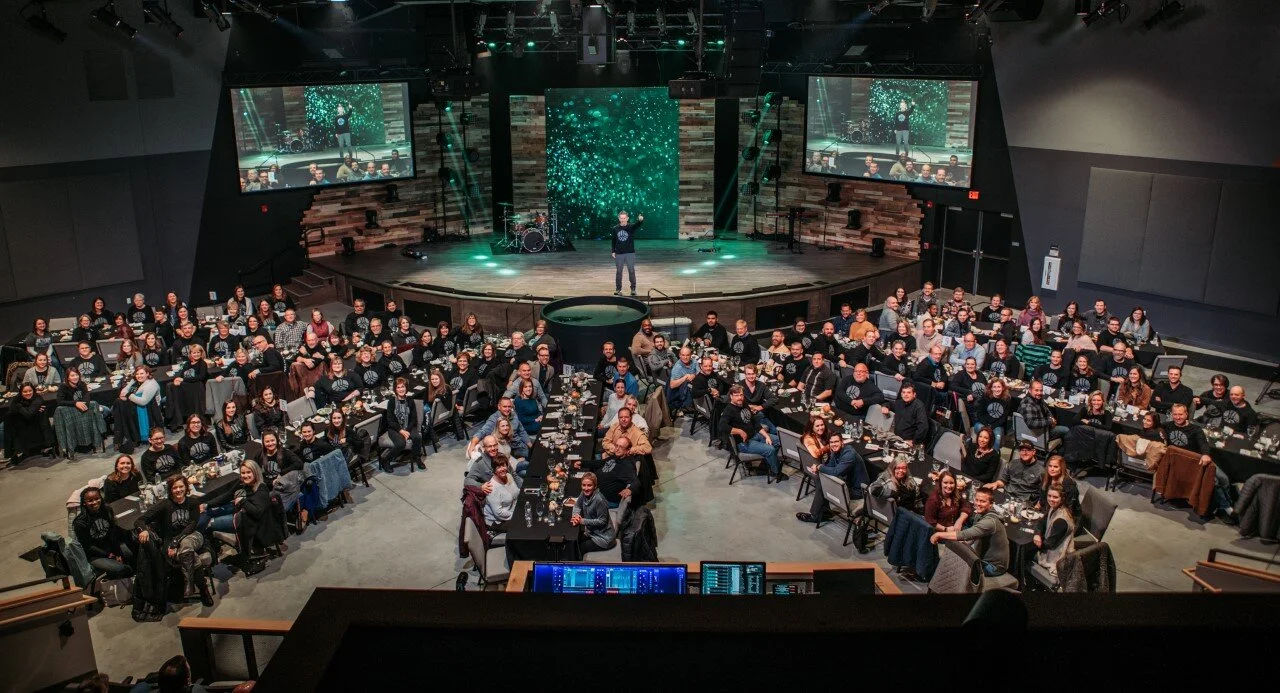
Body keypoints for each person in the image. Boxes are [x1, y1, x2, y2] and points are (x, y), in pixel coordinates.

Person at [136, 474, 215, 607]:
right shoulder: (165, 505)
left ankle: (189, 582)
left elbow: (191, 527)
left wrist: (175, 543)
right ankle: (203, 590)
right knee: (190, 554)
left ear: (186, 487)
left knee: (186, 543)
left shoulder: (193, 503)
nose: (178, 490)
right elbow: (140, 520)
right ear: (170, 490)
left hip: (193, 537)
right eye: (174, 488)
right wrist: (143, 530)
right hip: (173, 543)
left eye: (181, 487)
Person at [1163, 403, 1235, 523]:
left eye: (1180, 414)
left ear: (1186, 414)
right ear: (1171, 414)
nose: (1178, 417)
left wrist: (1206, 454)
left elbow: (1203, 444)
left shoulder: (1195, 429)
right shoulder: (1167, 426)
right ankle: (1227, 508)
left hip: (1199, 459)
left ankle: (1227, 505)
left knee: (1224, 478)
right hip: (1183, 464)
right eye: (1175, 414)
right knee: (1214, 481)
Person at [930, 487, 1009, 577]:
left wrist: (939, 534)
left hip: (992, 567)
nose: (978, 504)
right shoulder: (980, 515)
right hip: (981, 557)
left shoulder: (990, 522)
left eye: (983, 501)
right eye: (977, 500)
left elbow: (966, 534)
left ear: (991, 504)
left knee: (954, 567)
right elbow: (972, 537)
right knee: (952, 555)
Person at [796, 433, 867, 523]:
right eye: (831, 442)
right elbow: (830, 466)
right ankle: (824, 512)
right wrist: (820, 470)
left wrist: (819, 467)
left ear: (842, 442)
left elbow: (836, 472)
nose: (834, 444)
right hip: (847, 483)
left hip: (857, 490)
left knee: (823, 484)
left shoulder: (849, 454)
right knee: (821, 479)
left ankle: (816, 516)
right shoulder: (835, 451)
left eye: (836, 441)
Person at [719, 385, 785, 482]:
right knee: (770, 449)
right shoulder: (729, 410)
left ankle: (765, 465)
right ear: (731, 396)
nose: (740, 398)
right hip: (743, 443)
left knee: (778, 441)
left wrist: (766, 436)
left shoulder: (744, 404)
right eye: (736, 395)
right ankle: (776, 472)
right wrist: (739, 431)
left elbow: (755, 423)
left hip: (755, 435)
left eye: (741, 395)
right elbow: (722, 426)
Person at [74, 486, 135, 580]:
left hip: (111, 547)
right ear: (84, 503)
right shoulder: (80, 522)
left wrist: (117, 552)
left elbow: (113, 533)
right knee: (121, 569)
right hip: (95, 555)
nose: (94, 502)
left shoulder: (107, 510)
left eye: (97, 498)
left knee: (130, 554)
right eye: (90, 500)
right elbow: (88, 546)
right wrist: (109, 555)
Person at [54, 369, 107, 458]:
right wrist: (75, 403)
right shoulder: (63, 387)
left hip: (84, 415)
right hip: (71, 416)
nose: (75, 377)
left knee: (102, 409)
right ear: (68, 378)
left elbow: (86, 397)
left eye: (76, 375)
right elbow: (59, 401)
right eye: (72, 375)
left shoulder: (82, 384)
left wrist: (83, 404)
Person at [1033, 483, 1077, 583]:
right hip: (1049, 547)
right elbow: (1042, 521)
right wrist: (1037, 534)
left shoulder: (1061, 520)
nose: (1051, 499)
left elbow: (1048, 544)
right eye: (1049, 496)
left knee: (1024, 552)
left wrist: (1035, 539)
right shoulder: (1054, 507)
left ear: (1062, 499)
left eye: (1055, 497)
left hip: (1054, 559)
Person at [380, 377, 424, 473]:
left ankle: (417, 457)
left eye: (403, 387)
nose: (401, 389)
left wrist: (407, 430)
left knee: (417, 437)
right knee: (401, 443)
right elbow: (390, 420)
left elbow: (413, 418)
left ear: (406, 388)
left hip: (408, 426)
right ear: (395, 389)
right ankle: (386, 460)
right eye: (398, 387)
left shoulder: (410, 400)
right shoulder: (391, 401)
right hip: (395, 428)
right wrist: (401, 431)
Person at [4, 384, 53, 463]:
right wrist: (29, 409)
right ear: (21, 392)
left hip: (37, 422)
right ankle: (14, 451)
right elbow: (11, 411)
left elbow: (29, 414)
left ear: (33, 391)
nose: (28, 393)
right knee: (8, 421)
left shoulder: (38, 399)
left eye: (30, 391)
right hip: (23, 422)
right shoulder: (17, 398)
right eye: (25, 391)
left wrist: (19, 407)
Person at [571, 472, 616, 553]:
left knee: (580, 547)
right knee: (574, 541)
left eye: (589, 485)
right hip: (592, 532)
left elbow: (602, 521)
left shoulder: (599, 500)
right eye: (584, 485)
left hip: (604, 538)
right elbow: (577, 506)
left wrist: (582, 521)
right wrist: (575, 516)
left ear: (595, 486)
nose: (586, 488)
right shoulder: (583, 493)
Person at [610, 210, 644, 296]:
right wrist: (613, 251)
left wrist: (640, 220)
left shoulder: (631, 227)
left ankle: (633, 289)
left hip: (630, 253)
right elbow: (613, 240)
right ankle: (618, 289)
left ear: (627, 218)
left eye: (624, 218)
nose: (623, 220)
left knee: (631, 271)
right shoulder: (615, 228)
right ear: (619, 218)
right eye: (621, 218)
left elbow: (637, 225)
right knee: (619, 271)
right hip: (619, 253)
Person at [483, 455, 521, 532]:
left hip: (511, 511)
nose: (502, 469)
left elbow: (516, 492)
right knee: (522, 524)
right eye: (498, 467)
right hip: (497, 521)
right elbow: (499, 513)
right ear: (494, 470)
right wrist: (516, 515)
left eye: (504, 466)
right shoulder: (492, 488)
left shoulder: (508, 476)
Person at [973, 378, 1012, 449]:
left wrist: (992, 427)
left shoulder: (1007, 399)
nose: (997, 389)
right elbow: (980, 414)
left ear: (1003, 388)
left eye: (999, 387)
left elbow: (1003, 418)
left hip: (997, 425)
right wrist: (987, 426)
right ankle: (981, 451)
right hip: (983, 423)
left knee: (996, 438)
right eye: (994, 387)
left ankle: (993, 454)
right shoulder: (985, 397)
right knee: (983, 434)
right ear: (991, 388)